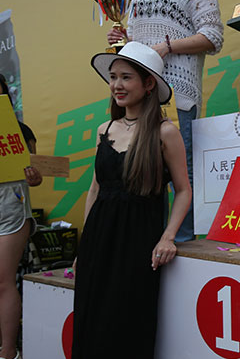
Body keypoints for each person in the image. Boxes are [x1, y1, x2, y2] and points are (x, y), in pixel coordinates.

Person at [107, 0, 223, 242]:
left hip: (176, 92)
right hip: (139, 95)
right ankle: (149, 240)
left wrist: (167, 47)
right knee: (142, 171)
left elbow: (213, 36)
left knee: (180, 171)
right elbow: (136, 41)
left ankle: (182, 242)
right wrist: (122, 38)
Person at [72, 42, 192, 358]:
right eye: (113, 77)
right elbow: (95, 190)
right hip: (98, 239)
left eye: (126, 77)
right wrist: (85, 246)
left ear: (148, 83)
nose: (117, 85)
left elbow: (183, 190)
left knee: (127, 324)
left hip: (138, 241)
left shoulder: (165, 132)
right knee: (90, 321)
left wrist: (168, 237)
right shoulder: (104, 129)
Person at [0, 74, 41, 359]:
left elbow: (36, 177)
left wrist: (33, 176)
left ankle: (8, 351)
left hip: (11, 211)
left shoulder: (21, 132)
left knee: (3, 281)